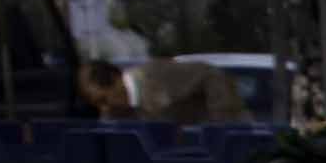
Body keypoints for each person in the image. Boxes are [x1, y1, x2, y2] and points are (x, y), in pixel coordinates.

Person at [80, 56, 245, 122]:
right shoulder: (115, 116)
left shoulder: (156, 75)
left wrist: (221, 125)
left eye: (103, 99)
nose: (104, 108)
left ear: (116, 80)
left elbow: (211, 75)